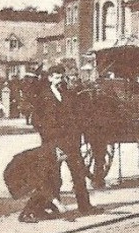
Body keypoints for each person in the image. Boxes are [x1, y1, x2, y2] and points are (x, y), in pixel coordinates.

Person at [21, 64, 94, 221]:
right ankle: (39, 208)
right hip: (53, 142)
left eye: (61, 77)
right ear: (49, 78)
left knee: (78, 172)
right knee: (52, 176)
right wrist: (48, 135)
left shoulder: (66, 93)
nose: (59, 80)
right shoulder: (43, 95)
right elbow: (36, 119)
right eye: (56, 77)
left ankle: (84, 206)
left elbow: (73, 114)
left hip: (70, 141)